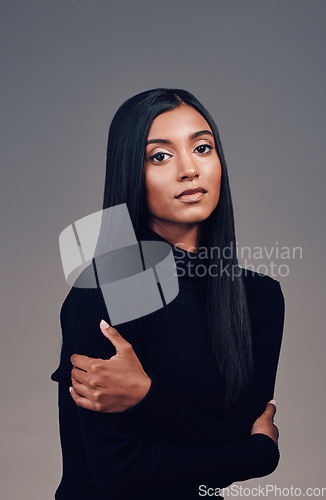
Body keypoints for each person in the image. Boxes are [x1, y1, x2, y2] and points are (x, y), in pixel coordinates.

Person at [51, 88, 285, 500]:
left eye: (201, 147)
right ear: (130, 172)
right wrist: (256, 457)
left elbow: (235, 435)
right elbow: (120, 472)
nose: (189, 169)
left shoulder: (259, 298)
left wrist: (145, 397)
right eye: (160, 156)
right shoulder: (103, 289)